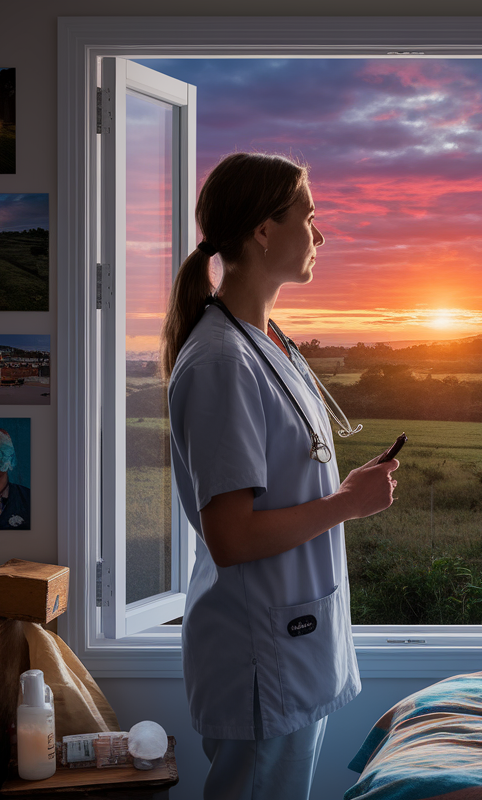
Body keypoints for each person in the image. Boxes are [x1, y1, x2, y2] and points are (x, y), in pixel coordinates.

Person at [161, 152, 399, 800]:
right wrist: (349, 503)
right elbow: (231, 537)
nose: (320, 235)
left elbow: (285, 480)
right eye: (310, 217)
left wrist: (340, 490)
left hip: (294, 638)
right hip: (259, 652)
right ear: (264, 231)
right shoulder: (220, 361)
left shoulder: (268, 343)